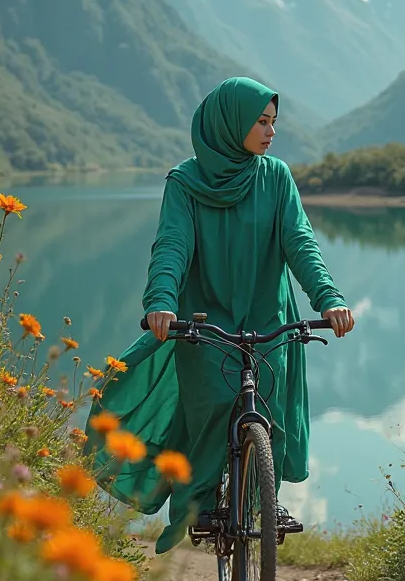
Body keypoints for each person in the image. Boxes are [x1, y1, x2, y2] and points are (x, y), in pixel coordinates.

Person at [85, 77, 354, 553]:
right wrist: (161, 302)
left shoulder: (276, 177)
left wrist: (327, 297)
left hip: (268, 313)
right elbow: (171, 246)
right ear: (231, 123)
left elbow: (300, 243)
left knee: (267, 404)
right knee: (211, 406)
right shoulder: (185, 183)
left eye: (274, 122)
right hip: (204, 320)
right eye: (262, 121)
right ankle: (201, 504)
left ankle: (261, 500)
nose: (271, 132)